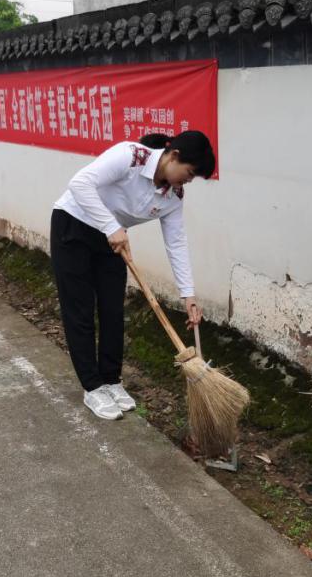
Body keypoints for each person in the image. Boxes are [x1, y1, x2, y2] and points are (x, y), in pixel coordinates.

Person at [51, 131, 216, 420]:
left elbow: (176, 242)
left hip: (113, 237)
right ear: (173, 156)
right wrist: (109, 225)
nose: (186, 181)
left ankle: (112, 381)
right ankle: (93, 387)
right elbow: (80, 184)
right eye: (188, 174)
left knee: (113, 310)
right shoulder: (131, 156)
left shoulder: (173, 195)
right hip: (73, 225)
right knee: (80, 310)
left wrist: (188, 294)